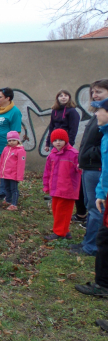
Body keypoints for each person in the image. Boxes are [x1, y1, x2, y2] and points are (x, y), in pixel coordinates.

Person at [74, 97, 108, 298]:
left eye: (99, 110)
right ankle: (102, 284)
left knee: (104, 239)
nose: (95, 114)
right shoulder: (105, 135)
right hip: (105, 193)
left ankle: (103, 285)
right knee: (104, 238)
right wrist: (101, 193)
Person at [71, 80, 108, 256]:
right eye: (93, 92)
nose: (94, 95)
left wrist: (91, 155)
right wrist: (83, 158)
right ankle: (88, 241)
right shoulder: (97, 114)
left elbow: (103, 145)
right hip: (88, 167)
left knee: (96, 208)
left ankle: (92, 246)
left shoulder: (105, 115)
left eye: (99, 92)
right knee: (89, 205)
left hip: (97, 168)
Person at [44, 90, 85, 224]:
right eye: (60, 95)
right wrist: (48, 143)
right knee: (53, 170)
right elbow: (51, 127)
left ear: (69, 98)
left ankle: (66, 196)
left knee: (65, 171)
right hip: (55, 143)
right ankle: (54, 192)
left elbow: (73, 129)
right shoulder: (55, 111)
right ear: (57, 98)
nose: (63, 97)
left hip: (65, 144)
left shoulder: (72, 112)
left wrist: (68, 146)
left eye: (65, 95)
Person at [43, 129, 81, 241]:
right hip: (55, 189)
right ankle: (65, 230)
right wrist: (46, 185)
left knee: (63, 211)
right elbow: (47, 172)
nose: (58, 142)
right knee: (56, 210)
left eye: (60, 140)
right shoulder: (52, 155)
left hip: (68, 189)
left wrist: (80, 167)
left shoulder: (73, 154)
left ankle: (59, 233)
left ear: (66, 140)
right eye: (55, 140)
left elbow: (80, 169)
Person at [0, 131, 26, 211]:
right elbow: (2, 161)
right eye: (9, 140)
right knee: (7, 188)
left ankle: (14, 204)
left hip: (13, 174)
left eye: (13, 140)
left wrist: (19, 176)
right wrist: (0, 171)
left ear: (18, 140)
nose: (11, 142)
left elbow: (21, 165)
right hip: (5, 173)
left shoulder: (20, 151)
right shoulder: (6, 149)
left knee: (14, 189)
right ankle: (8, 200)